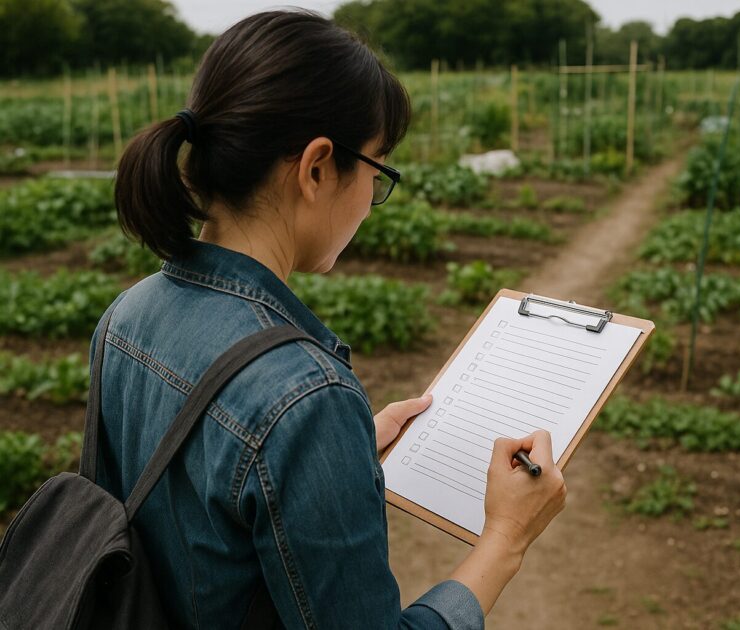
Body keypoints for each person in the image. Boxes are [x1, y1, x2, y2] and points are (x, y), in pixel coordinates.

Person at [95, 9, 566, 629]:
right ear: (318, 168)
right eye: (377, 170)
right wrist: (506, 538)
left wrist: (331, 458)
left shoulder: (127, 314)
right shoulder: (303, 396)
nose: (373, 198)